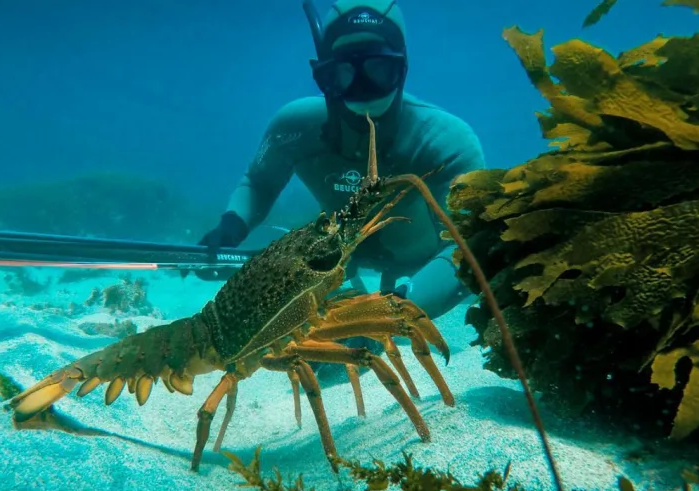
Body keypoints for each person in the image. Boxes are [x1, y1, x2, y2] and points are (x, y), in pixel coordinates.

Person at [198, 0, 485, 382]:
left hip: (417, 265)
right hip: (335, 259)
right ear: (323, 75)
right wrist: (231, 226)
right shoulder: (294, 126)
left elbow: (464, 245)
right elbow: (259, 182)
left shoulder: (448, 141)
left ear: (401, 69)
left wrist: (398, 306)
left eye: (380, 70)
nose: (363, 87)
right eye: (344, 73)